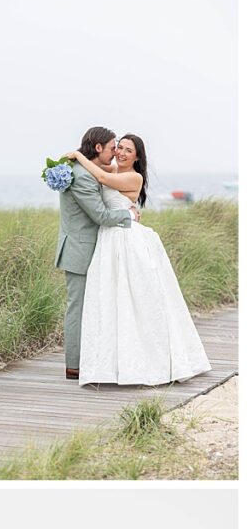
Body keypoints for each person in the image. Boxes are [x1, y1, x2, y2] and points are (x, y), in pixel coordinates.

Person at [65, 134, 212, 386]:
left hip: (126, 240)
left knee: (136, 299)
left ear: (137, 157)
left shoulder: (134, 177)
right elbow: (96, 173)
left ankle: (146, 360)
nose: (120, 152)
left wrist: (78, 155)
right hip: (109, 240)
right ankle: (110, 362)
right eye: (118, 147)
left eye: (127, 150)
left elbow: (101, 178)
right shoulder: (111, 167)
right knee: (110, 300)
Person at [55, 126, 137, 380]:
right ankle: (73, 366)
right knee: (77, 309)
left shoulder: (90, 171)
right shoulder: (81, 176)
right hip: (80, 251)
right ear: (99, 148)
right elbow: (100, 215)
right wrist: (128, 214)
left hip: (95, 250)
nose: (116, 152)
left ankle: (93, 360)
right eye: (113, 147)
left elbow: (109, 180)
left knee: (95, 307)